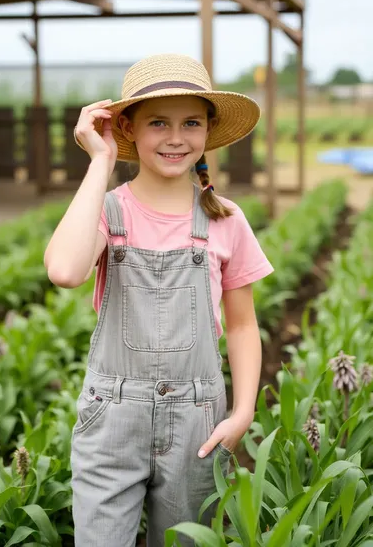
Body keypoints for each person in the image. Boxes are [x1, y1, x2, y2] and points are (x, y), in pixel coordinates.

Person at [44, 53, 274, 547]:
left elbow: (241, 324)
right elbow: (64, 271)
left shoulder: (225, 219)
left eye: (191, 122)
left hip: (199, 420)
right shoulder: (107, 212)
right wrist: (100, 162)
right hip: (113, 418)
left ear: (208, 130)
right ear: (127, 127)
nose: (176, 137)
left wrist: (244, 411)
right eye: (157, 123)